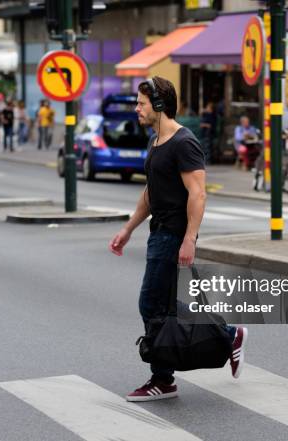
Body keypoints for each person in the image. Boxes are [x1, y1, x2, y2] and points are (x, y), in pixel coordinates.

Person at [108, 76, 247, 402]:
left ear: (159, 105)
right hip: (159, 232)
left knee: (151, 304)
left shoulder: (184, 142)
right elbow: (150, 192)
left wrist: (190, 239)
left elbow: (197, 194)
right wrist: (128, 228)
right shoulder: (156, 142)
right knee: (164, 304)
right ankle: (228, 335)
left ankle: (163, 377)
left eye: (141, 103)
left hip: (172, 235)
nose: (136, 109)